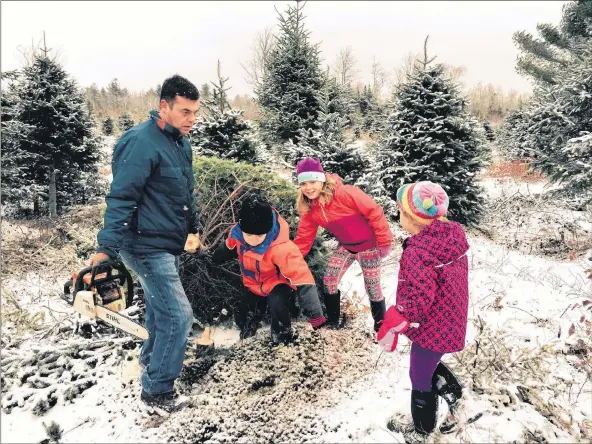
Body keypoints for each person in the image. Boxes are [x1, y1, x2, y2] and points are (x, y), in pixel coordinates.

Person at [89, 75, 202, 412]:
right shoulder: (140, 141)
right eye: (185, 111)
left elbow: (185, 193)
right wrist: (106, 250)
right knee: (178, 316)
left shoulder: (180, 143)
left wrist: (192, 229)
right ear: (163, 106)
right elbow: (122, 197)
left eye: (195, 112)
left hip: (168, 242)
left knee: (159, 310)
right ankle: (157, 392)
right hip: (143, 245)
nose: (191, 119)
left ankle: (151, 363)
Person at [376, 181, 469, 442]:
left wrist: (397, 317)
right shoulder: (452, 234)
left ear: (412, 217)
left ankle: (422, 430)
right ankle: (455, 395)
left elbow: (417, 300)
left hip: (433, 323)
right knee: (427, 364)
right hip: (451, 315)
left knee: (418, 373)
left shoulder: (419, 251)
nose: (398, 216)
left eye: (399, 211)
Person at [293, 157, 393, 331]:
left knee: (372, 288)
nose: (308, 188)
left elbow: (374, 212)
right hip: (346, 247)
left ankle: (381, 328)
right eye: (303, 183)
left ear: (322, 179)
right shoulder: (310, 207)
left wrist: (384, 241)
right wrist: (291, 260)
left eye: (312, 181)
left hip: (369, 247)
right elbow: (304, 236)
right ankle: (333, 323)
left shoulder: (345, 193)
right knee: (329, 280)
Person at [212, 194, 327, 344]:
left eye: (259, 236)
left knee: (278, 305)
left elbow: (303, 279)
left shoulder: (282, 248)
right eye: (248, 235)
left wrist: (316, 317)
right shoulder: (238, 233)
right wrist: (216, 258)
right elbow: (229, 246)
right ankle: (247, 338)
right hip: (253, 283)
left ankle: (281, 340)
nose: (252, 240)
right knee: (242, 310)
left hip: (277, 283)